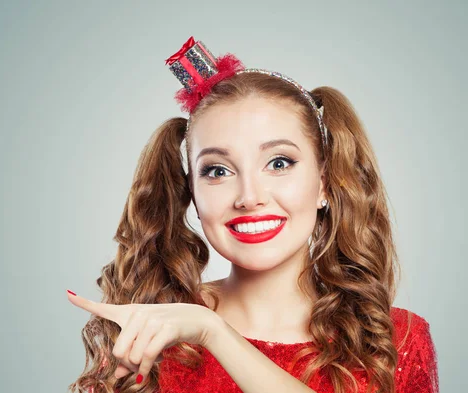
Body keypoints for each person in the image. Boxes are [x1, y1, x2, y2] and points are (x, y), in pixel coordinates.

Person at [67, 37, 439, 393]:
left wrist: (214, 333)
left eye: (279, 163)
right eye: (217, 171)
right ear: (192, 194)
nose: (249, 197)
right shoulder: (153, 333)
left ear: (325, 183)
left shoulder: (397, 340)